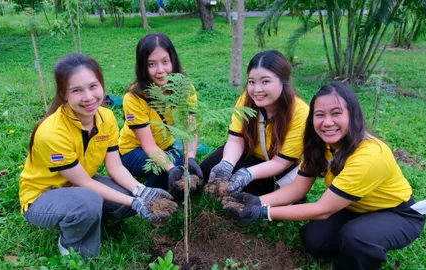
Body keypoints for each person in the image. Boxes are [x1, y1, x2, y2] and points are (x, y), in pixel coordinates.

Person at [222, 82, 426, 269]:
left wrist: (263, 212)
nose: (327, 122)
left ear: (352, 115)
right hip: (353, 206)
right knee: (314, 240)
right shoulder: (320, 145)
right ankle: (360, 236)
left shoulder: (370, 155)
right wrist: (256, 202)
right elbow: (297, 189)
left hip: (397, 213)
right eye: (319, 115)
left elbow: (322, 210)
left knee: (357, 237)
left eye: (336, 113)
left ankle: (366, 245)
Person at [19, 53, 177, 258]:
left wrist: (141, 192)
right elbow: (85, 182)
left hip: (79, 187)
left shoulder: (106, 117)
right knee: (90, 201)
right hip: (42, 197)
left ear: (101, 85)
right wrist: (135, 202)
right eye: (77, 90)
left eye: (93, 86)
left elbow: (115, 166)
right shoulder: (52, 132)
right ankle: (70, 246)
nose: (88, 97)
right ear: (63, 94)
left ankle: (83, 217)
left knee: (127, 196)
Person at [200, 50, 309, 196]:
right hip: (250, 153)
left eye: (265, 81)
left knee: (246, 188)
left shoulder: (300, 112)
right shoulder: (246, 99)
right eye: (252, 82)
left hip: (279, 166)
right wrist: (227, 163)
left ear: (283, 82)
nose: (257, 90)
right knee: (206, 170)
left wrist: (247, 174)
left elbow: (280, 163)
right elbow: (236, 140)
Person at [119, 33, 203, 191]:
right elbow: (148, 145)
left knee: (181, 162)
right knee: (164, 168)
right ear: (143, 67)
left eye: (165, 62)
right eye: (152, 64)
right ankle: (150, 200)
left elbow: (190, 129)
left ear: (173, 60)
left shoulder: (184, 89)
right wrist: (170, 168)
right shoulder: (134, 97)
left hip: (166, 146)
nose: (160, 70)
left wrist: (191, 158)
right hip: (132, 151)